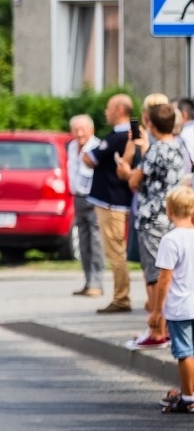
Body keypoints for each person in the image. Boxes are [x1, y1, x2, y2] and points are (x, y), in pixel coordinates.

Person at [123, 104, 184, 348]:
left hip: (151, 218)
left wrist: (127, 170)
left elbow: (135, 181)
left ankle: (157, 330)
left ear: (149, 123)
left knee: (154, 275)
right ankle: (168, 327)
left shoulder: (156, 150)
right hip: (172, 217)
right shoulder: (179, 148)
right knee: (171, 273)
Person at [84, 94, 135, 313]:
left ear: (119, 110)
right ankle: (121, 295)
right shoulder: (125, 135)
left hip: (112, 202)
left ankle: (121, 298)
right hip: (112, 201)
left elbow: (90, 158)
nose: (105, 112)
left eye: (108, 108)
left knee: (115, 252)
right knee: (115, 250)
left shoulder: (118, 136)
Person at [155, 185, 194, 412]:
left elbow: (164, 278)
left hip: (180, 306)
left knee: (185, 352)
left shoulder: (170, 240)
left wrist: (157, 311)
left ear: (168, 210)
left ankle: (188, 397)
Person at [67, 113, 104, 297]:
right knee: (83, 241)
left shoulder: (97, 147)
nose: (79, 133)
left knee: (96, 242)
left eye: (83, 129)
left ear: (91, 130)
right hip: (78, 197)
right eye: (76, 130)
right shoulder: (72, 146)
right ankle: (88, 280)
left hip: (94, 198)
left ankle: (97, 283)